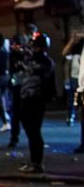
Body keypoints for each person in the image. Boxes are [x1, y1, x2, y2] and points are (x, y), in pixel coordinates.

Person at [17, 32, 56, 173]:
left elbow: (39, 76)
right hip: (27, 98)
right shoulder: (32, 60)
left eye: (36, 46)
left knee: (34, 131)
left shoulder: (45, 63)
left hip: (36, 99)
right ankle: (34, 161)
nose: (34, 49)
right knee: (30, 130)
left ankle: (37, 162)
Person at [7, 24, 36, 148]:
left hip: (27, 86)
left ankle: (29, 137)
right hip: (17, 85)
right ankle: (14, 137)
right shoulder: (13, 54)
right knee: (16, 112)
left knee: (27, 113)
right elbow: (11, 68)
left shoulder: (29, 52)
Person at [62, 33, 82, 126]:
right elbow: (64, 54)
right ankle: (71, 115)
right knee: (72, 99)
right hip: (74, 78)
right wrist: (72, 40)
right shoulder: (73, 53)